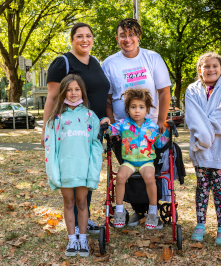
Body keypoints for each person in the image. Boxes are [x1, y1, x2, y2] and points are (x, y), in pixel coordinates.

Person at [102, 18, 171, 227]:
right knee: (127, 172)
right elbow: (107, 98)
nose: (127, 39)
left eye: (131, 34)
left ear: (138, 36)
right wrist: (113, 126)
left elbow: (164, 91)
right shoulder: (109, 63)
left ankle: (152, 211)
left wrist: (161, 121)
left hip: (150, 130)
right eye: (123, 35)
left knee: (151, 173)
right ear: (117, 38)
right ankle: (136, 211)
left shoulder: (152, 58)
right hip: (124, 131)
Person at [43, 22, 110, 236]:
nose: (84, 40)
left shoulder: (96, 62)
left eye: (88, 36)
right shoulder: (62, 63)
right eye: (79, 36)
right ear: (72, 39)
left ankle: (86, 217)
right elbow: (52, 97)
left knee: (88, 169)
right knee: (76, 173)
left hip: (94, 128)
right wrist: (46, 130)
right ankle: (82, 221)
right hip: (72, 129)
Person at [185, 52, 221, 246]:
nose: (210, 69)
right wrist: (204, 135)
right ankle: (200, 224)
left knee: (218, 187)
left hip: (220, 147)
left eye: (214, 66)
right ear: (200, 69)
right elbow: (193, 118)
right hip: (200, 147)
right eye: (206, 66)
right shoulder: (192, 90)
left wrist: (206, 132)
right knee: (201, 186)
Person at [44, 74, 102, 257]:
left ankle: (83, 239)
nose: (73, 93)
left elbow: (95, 146)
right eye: (69, 89)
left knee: (82, 203)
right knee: (68, 203)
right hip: (65, 170)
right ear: (63, 92)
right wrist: (53, 172)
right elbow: (50, 148)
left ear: (82, 92)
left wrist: (93, 170)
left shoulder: (90, 117)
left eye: (77, 89)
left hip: (83, 170)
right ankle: (72, 240)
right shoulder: (55, 119)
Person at [100, 88, 169, 229]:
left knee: (150, 178)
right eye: (133, 107)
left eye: (141, 107)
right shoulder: (123, 124)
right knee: (120, 177)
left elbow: (160, 143)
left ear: (147, 109)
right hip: (129, 161)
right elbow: (110, 130)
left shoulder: (152, 126)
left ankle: (152, 211)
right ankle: (119, 211)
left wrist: (167, 131)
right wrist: (104, 122)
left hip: (146, 161)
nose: (137, 110)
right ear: (128, 109)